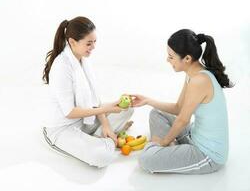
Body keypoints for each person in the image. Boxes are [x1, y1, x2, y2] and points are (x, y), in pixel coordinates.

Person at [131, 29, 233, 174]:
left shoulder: (200, 80)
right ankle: (169, 149)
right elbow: (179, 108)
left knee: (145, 160)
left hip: (207, 155)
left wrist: (164, 142)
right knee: (156, 113)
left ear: (187, 58)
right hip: (194, 136)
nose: (167, 60)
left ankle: (165, 149)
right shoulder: (192, 74)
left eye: (171, 57)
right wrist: (148, 100)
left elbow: (183, 120)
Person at [42, 16, 133, 168]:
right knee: (102, 157)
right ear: (72, 42)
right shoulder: (61, 67)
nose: (93, 47)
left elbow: (95, 102)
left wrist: (106, 125)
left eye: (95, 42)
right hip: (62, 129)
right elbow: (69, 112)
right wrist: (107, 109)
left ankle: (101, 137)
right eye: (88, 43)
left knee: (127, 108)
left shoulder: (83, 60)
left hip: (84, 120)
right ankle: (108, 140)